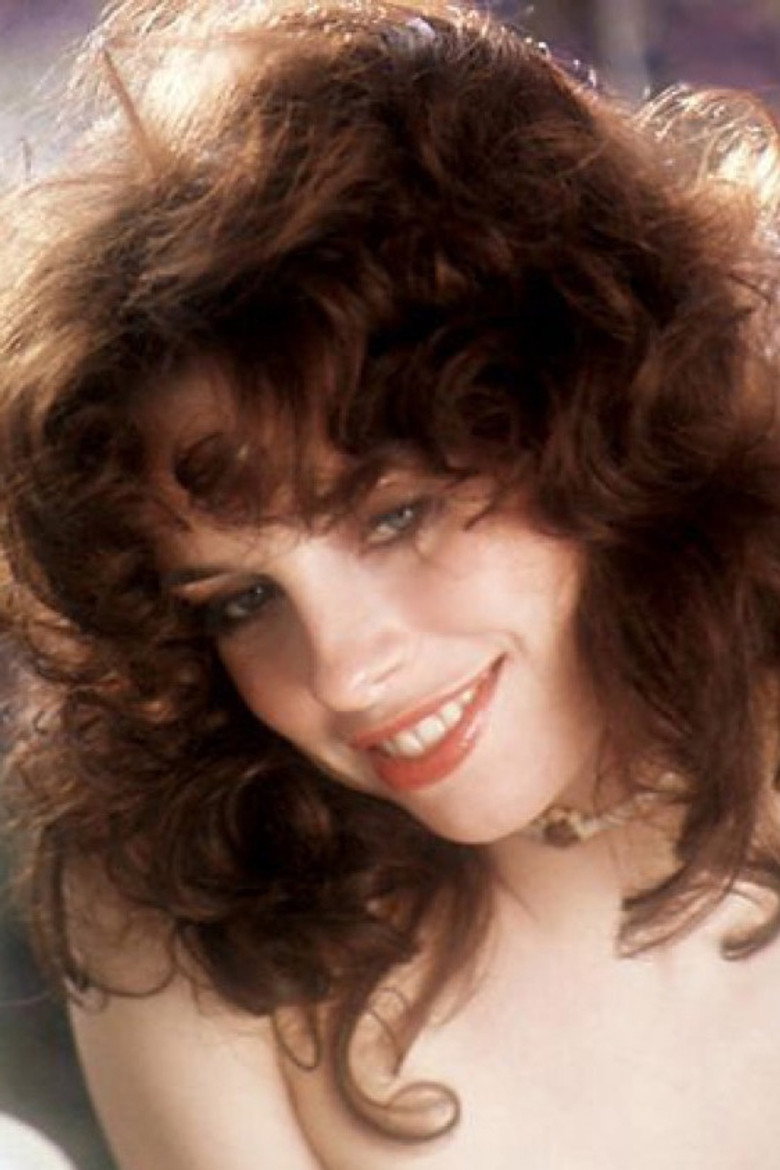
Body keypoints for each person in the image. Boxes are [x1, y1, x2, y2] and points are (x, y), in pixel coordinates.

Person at [1, 0, 779, 1166]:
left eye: (394, 516)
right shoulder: (187, 911)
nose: (345, 673)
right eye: (241, 601)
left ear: (592, 421)